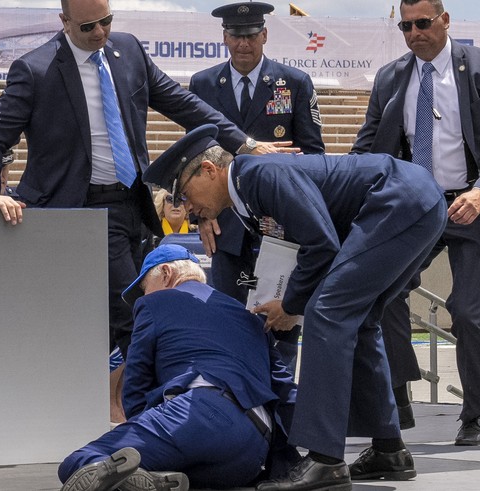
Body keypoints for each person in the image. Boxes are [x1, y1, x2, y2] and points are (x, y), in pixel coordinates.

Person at [0, 0, 292, 424]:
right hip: (76, 211)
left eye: (106, 21)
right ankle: (154, 414)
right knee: (134, 310)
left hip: (132, 206)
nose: (100, 33)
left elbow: (185, 105)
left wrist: (244, 144)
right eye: (88, 27)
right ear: (64, 22)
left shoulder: (129, 51)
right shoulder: (35, 69)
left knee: (134, 309)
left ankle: (134, 409)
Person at [144, 124, 450, 490]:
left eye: (185, 195)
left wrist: (291, 305)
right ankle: (389, 450)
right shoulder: (247, 195)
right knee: (360, 319)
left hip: (399, 200)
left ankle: (325, 460)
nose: (188, 209)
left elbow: (321, 244)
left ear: (209, 171)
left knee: (327, 313)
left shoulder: (259, 174)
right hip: (413, 201)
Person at [351, 0, 480, 445]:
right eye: (406, 26)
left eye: (423, 23)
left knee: (466, 311)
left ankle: (474, 415)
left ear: (445, 20)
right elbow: (368, 146)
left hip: (475, 204)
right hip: (416, 207)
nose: (414, 33)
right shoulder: (391, 77)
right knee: (384, 296)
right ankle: (398, 394)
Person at [58, 244, 298, 491]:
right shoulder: (249, 316)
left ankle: (137, 478)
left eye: (144, 289)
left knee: (80, 462)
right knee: (176, 474)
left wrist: (144, 427)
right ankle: (151, 480)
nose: (143, 297)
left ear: (165, 273)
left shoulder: (155, 303)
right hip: (254, 447)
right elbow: (287, 393)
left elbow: (136, 386)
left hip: (197, 414)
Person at [189, 1, 324, 375]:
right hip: (226, 227)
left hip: (280, 227)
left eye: (250, 36)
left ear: (264, 35)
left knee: (279, 325)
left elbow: (313, 156)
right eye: (235, 36)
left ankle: (279, 408)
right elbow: (194, 162)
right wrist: (201, 217)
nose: (243, 45)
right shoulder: (202, 85)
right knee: (230, 321)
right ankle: (239, 406)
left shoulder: (293, 83)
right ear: (224, 38)